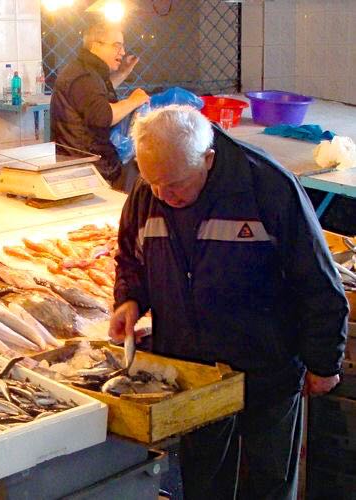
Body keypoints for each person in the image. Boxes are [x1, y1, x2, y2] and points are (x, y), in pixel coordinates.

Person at [109, 105, 348, 499]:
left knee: (269, 482)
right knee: (204, 481)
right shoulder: (150, 188)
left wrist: (324, 362)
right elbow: (131, 259)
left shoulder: (267, 187)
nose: (162, 196)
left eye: (174, 185)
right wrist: (129, 300)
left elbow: (318, 281)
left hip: (267, 368)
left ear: (208, 159)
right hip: (194, 373)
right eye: (153, 183)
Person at [50, 21, 149, 193]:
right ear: (96, 45)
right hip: (88, 169)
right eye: (117, 46)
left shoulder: (85, 71)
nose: (123, 52)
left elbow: (95, 97)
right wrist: (134, 100)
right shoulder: (84, 76)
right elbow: (103, 115)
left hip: (86, 165)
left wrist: (123, 73)